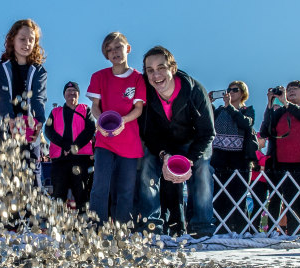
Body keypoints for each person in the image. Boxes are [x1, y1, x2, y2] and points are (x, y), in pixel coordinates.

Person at [141, 46, 215, 236]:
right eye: (150, 70)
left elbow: (207, 133)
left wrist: (189, 160)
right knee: (147, 163)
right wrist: (164, 155)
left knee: (203, 168)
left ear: (172, 68)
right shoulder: (146, 93)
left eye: (161, 67)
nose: (156, 75)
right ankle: (152, 226)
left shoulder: (195, 91)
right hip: (163, 145)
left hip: (193, 143)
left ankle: (202, 227)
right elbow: (148, 132)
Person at [86, 32, 145, 225]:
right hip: (105, 141)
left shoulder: (138, 78)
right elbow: (95, 105)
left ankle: (123, 231)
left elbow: (138, 109)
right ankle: (97, 230)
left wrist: (123, 121)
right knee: (100, 187)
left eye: (118, 47)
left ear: (127, 49)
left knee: (126, 190)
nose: (114, 52)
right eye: (109, 50)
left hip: (129, 142)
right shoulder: (98, 76)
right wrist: (100, 119)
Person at [259, 81, 300, 235]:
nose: (290, 91)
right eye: (288, 89)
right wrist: (270, 105)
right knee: (290, 201)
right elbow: (265, 131)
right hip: (284, 163)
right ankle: (294, 232)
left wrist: (287, 103)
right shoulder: (280, 112)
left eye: (295, 89)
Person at [0, 18, 47, 189]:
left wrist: (39, 121)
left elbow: (38, 97)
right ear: (12, 40)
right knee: (9, 173)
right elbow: (2, 96)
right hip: (6, 128)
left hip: (30, 128)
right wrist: (9, 120)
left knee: (32, 173)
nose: (27, 43)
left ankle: (33, 214)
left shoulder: (38, 69)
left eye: (31, 40)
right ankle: (11, 214)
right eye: (22, 39)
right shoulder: (2, 68)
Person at [210, 81, 256, 234]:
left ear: (243, 93)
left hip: (240, 159)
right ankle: (220, 231)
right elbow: (208, 121)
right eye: (229, 89)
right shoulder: (220, 111)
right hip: (219, 158)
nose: (231, 92)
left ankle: (242, 231)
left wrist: (230, 106)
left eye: (235, 90)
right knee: (219, 197)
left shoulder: (247, 110)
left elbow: (245, 124)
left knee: (238, 197)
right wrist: (209, 104)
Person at [44, 81, 95, 212]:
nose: (71, 94)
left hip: (81, 159)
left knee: (81, 192)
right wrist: (65, 146)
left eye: (74, 92)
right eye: (68, 91)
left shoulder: (85, 109)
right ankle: (57, 223)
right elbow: (49, 131)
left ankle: (83, 223)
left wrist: (75, 147)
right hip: (60, 160)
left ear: (78, 94)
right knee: (58, 193)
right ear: (64, 95)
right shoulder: (55, 112)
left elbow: (90, 129)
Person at [249, 136, 271, 232]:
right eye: (263, 139)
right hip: (256, 181)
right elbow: (258, 166)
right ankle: (254, 227)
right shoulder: (255, 153)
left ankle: (255, 227)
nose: (265, 141)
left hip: (263, 182)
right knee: (258, 205)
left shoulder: (261, 153)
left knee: (260, 205)